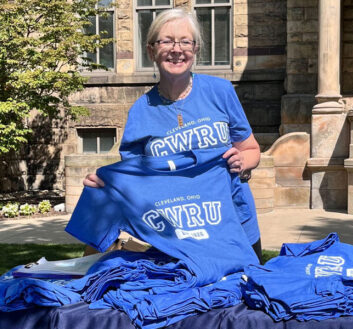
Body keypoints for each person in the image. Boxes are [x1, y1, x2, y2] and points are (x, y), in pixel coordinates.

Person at [82, 8, 262, 262]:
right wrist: (105, 184)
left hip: (235, 225)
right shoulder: (140, 112)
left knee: (245, 296)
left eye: (185, 41)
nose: (176, 49)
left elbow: (252, 149)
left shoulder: (220, 91)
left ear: (195, 49)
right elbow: (135, 182)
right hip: (176, 236)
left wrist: (243, 162)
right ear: (151, 51)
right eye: (166, 41)